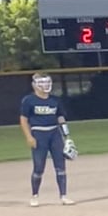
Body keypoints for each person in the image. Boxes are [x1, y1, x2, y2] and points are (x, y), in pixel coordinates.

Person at [20, 73, 74, 207]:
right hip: (39, 134)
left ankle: (63, 196)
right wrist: (29, 136)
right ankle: (34, 195)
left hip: (55, 134)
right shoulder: (29, 100)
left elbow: (60, 117)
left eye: (47, 83)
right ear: (35, 85)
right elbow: (23, 120)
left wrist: (67, 136)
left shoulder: (55, 100)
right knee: (39, 167)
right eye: (42, 83)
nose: (45, 86)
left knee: (60, 166)